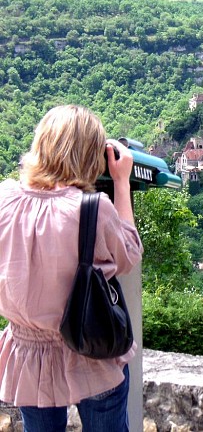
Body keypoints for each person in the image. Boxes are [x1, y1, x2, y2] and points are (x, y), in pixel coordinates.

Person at [0, 105, 144, 431]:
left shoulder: (4, 198)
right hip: (90, 348)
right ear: (90, 156)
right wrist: (121, 182)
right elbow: (129, 254)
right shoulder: (91, 209)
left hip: (28, 355)